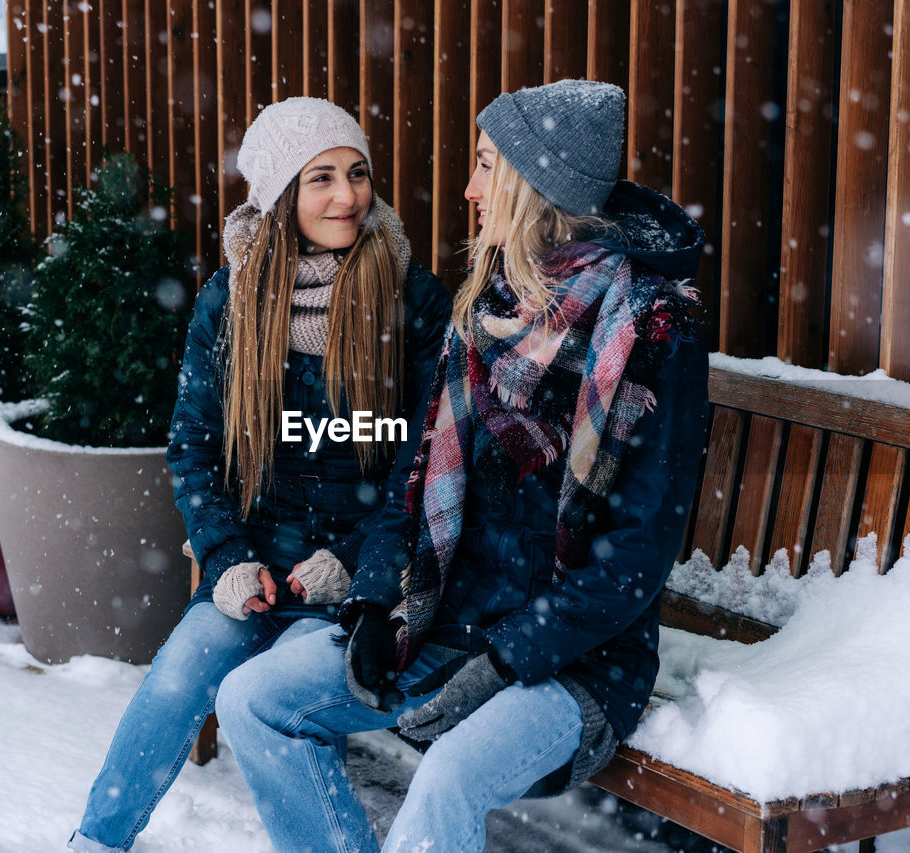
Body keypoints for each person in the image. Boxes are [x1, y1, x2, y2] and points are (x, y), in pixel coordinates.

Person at [216, 78, 710, 852]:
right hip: (448, 617)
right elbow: (412, 483)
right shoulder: (490, 302)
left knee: (448, 774)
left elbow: (634, 559)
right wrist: (376, 604)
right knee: (251, 697)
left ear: (532, 185)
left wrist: (508, 657)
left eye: (486, 166)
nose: (471, 188)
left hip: (576, 661)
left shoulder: (651, 329)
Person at [68, 97, 450, 853]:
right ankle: (95, 840)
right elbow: (193, 446)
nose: (348, 196)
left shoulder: (410, 300)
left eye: (358, 173)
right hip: (257, 571)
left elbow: (426, 465)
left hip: (362, 585)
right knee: (179, 675)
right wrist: (227, 555)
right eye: (322, 179)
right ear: (280, 195)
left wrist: (354, 566)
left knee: (265, 700)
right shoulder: (232, 298)